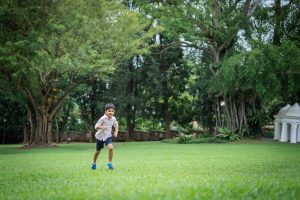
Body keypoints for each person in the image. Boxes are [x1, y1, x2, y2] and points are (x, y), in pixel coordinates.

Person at [91, 103, 119, 170]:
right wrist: (101, 127)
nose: (111, 112)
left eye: (112, 111)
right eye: (109, 111)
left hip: (108, 136)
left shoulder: (113, 119)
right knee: (98, 151)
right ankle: (93, 163)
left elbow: (116, 126)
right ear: (105, 111)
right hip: (100, 137)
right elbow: (96, 126)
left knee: (111, 148)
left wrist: (116, 132)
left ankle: (109, 164)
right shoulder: (102, 118)